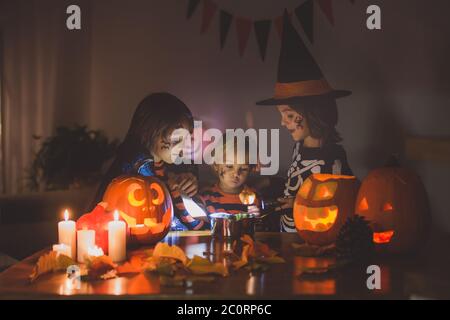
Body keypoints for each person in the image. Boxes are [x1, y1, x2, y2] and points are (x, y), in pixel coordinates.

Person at [255, 12, 353, 232]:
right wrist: (266, 182)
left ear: (313, 114)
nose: (283, 122)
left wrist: (298, 204)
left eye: (289, 115)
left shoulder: (332, 158)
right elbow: (294, 183)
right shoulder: (298, 148)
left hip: (313, 234)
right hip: (287, 232)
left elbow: (342, 201)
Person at [93, 92, 207, 230]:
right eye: (177, 139)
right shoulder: (139, 168)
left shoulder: (167, 168)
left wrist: (187, 188)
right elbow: (178, 226)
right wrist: (173, 190)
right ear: (150, 132)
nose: (183, 147)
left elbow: (196, 223)